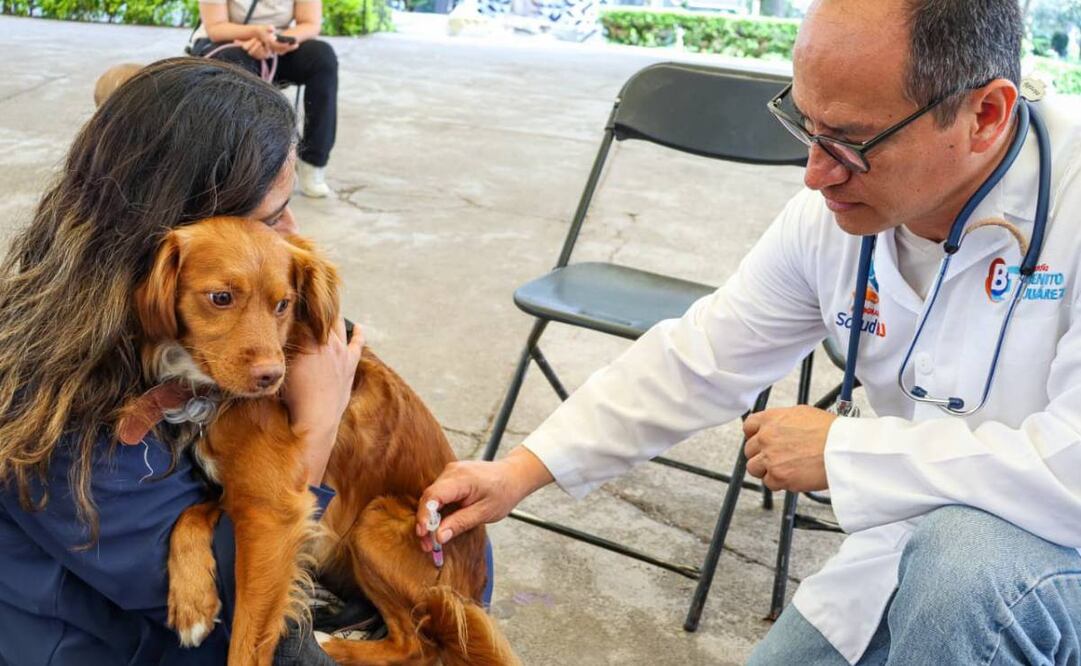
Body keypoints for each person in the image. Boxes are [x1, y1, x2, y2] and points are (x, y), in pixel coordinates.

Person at [416, 1, 1081, 663]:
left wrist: (846, 452)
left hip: (1037, 567)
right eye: (804, 124)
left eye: (850, 141)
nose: (815, 174)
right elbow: (699, 358)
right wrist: (518, 472)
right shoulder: (827, 220)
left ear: (985, 115)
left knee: (962, 568)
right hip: (907, 547)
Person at [0, 58, 363, 665]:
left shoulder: (152, 332)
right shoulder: (65, 419)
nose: (292, 234)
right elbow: (220, 600)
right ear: (178, 218)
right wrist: (317, 426)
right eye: (270, 216)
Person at [190, 0, 339, 198]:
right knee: (233, 65)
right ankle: (239, 169)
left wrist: (275, 41)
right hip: (228, 42)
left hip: (279, 44)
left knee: (323, 57)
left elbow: (310, 23)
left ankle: (313, 162)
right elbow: (216, 27)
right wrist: (256, 34)